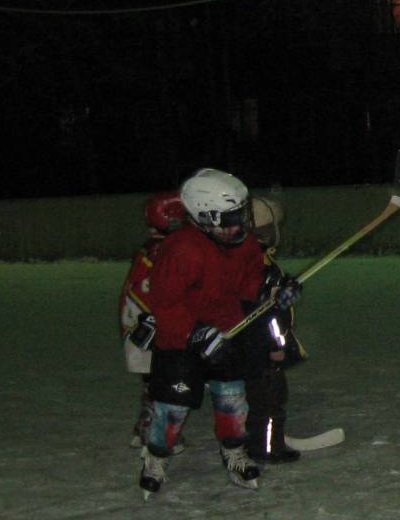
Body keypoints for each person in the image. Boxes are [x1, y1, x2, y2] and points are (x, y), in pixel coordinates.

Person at [139, 169, 299, 496]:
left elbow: (249, 281)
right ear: (205, 218)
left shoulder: (244, 244)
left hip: (227, 334)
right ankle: (156, 456)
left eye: (241, 215)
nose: (240, 225)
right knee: (174, 405)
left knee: (232, 399)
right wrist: (194, 333)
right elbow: (164, 303)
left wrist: (272, 290)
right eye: (231, 218)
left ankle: (234, 450)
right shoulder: (182, 249)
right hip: (181, 342)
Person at [122, 190, 186, 450]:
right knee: (167, 380)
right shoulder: (166, 251)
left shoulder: (152, 248)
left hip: (139, 323)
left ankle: (145, 426)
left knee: (154, 380)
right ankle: (157, 433)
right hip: (152, 325)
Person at [243, 197, 304, 462]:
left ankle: (261, 442)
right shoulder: (258, 265)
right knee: (270, 400)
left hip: (254, 346)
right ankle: (268, 448)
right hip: (263, 348)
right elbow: (267, 315)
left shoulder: (257, 260)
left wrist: (286, 288)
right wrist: (276, 345)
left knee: (263, 399)